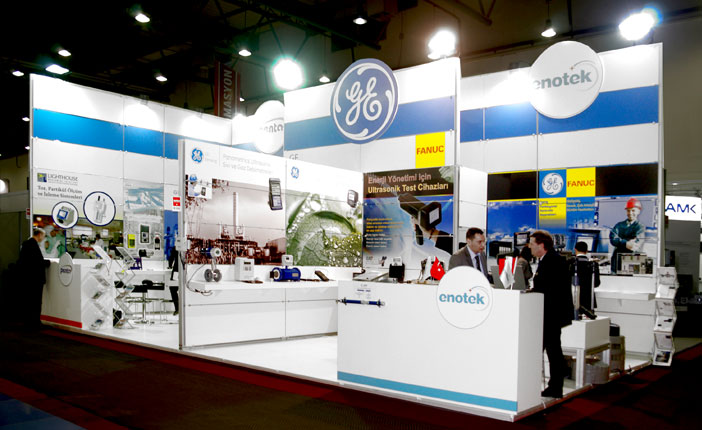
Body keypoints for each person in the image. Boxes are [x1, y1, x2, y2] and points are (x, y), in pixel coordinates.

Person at [529, 230, 574, 398]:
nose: (530, 247)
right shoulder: (548, 259)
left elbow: (550, 289)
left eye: (532, 244)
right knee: (552, 350)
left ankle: (554, 387)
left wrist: (533, 292)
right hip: (550, 313)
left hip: (551, 314)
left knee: (553, 351)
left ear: (541, 245)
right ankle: (553, 386)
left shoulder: (553, 261)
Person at [18, 228, 51, 329]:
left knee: (29, 300)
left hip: (27, 278)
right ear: (39, 235)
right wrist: (48, 262)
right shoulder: (33, 245)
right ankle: (35, 323)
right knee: (36, 301)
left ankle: (28, 322)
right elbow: (37, 261)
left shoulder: (26, 244)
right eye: (43, 236)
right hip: (35, 278)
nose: (43, 238)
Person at [609, 197, 645, 273]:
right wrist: (626, 243)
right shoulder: (619, 225)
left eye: (633, 210)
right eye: (628, 210)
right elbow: (613, 239)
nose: (630, 213)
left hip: (632, 262)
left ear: (638, 211)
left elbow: (635, 244)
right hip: (616, 262)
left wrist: (619, 242)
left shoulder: (640, 227)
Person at [572, 241, 600, 318]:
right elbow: (596, 283)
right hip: (589, 301)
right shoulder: (593, 264)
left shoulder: (572, 263)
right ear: (587, 251)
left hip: (575, 299)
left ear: (575, 249)